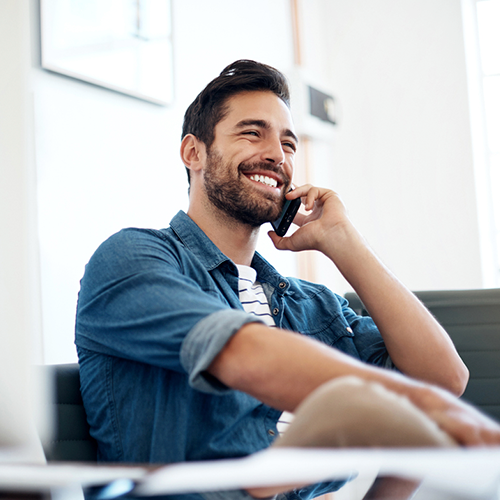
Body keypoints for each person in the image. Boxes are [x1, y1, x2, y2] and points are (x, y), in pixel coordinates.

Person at [75, 60, 500, 500]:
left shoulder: (313, 305)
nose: (278, 154)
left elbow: (443, 379)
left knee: (422, 430)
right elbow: (244, 354)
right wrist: (405, 404)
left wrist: (343, 241)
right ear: (193, 153)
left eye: (289, 142)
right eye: (251, 132)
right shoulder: (133, 259)